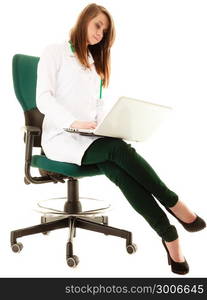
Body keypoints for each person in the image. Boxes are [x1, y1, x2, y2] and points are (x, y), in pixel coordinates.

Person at [36, 3, 206, 275]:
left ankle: (169, 235)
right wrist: (72, 122)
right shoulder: (54, 52)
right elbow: (43, 98)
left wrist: (110, 124)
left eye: (105, 31)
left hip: (90, 137)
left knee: (117, 165)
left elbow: (98, 108)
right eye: (97, 26)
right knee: (117, 151)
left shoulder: (94, 66)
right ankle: (174, 204)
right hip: (61, 138)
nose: (100, 34)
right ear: (84, 21)